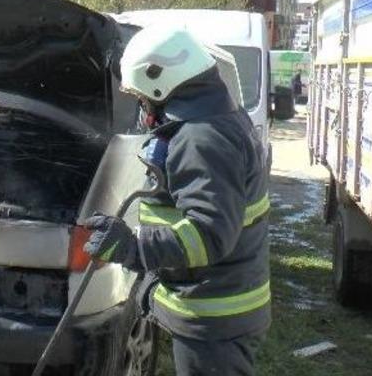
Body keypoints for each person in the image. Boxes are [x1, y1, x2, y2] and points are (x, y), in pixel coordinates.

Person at [83, 27, 270, 375]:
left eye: (143, 99)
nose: (143, 109)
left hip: (214, 316)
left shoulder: (201, 138)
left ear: (161, 82)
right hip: (218, 307)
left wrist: (131, 246)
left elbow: (208, 234)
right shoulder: (215, 118)